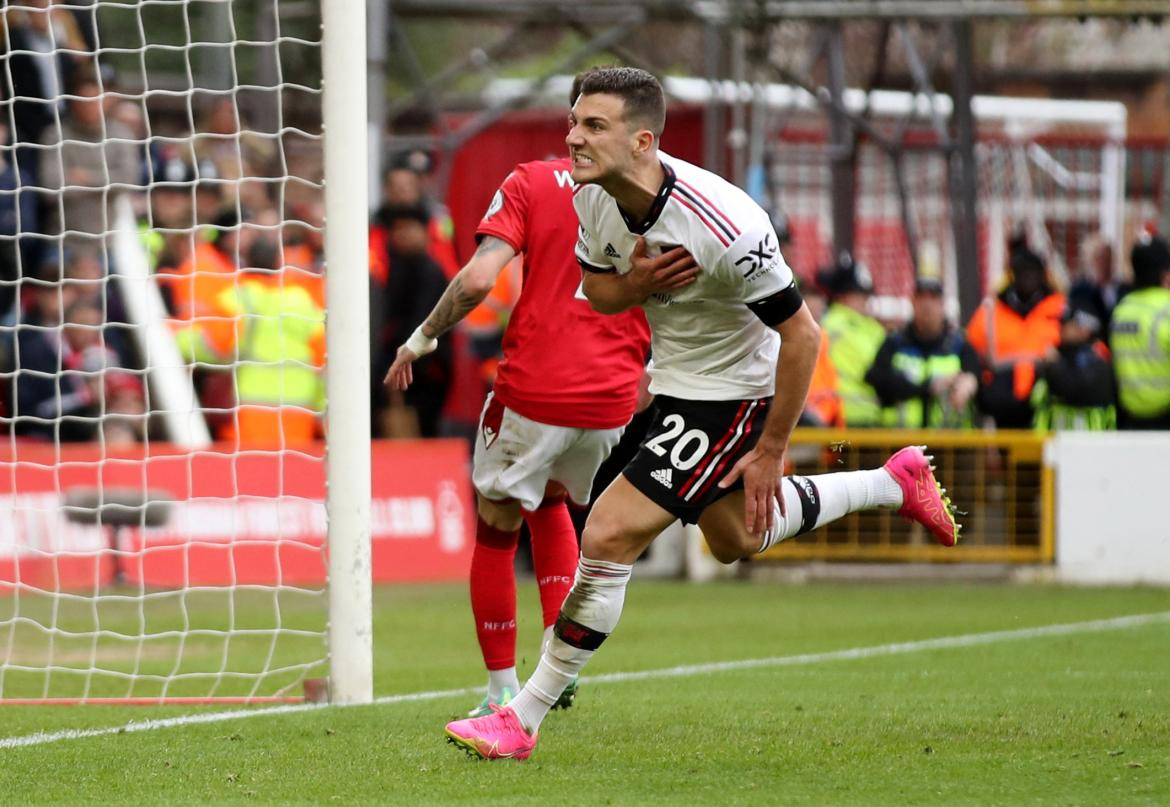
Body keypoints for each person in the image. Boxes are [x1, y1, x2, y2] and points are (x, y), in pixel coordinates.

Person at [443, 66, 960, 761]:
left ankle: (522, 716)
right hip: (674, 386)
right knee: (733, 538)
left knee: (608, 532)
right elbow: (597, 292)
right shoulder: (593, 197)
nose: (574, 136)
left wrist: (772, 449)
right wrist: (634, 283)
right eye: (573, 121)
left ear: (643, 140)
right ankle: (892, 484)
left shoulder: (727, 223)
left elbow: (804, 335)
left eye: (593, 125)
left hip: (737, 392)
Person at [385, 109, 662, 716]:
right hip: (612, 397)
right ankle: (555, 670)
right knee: (556, 502)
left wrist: (423, 337)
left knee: (497, 522)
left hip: (537, 388)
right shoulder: (658, 189)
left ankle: (500, 690)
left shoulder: (530, 181)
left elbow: (479, 280)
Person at [965, 235, 1065, 429]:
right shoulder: (991, 311)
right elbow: (970, 349)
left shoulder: (1059, 309)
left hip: (1044, 409)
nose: (1028, 278)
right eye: (1022, 273)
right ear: (1012, 275)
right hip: (999, 408)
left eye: (1033, 273)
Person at [865, 277, 979, 429]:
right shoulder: (894, 343)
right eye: (921, 298)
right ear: (913, 302)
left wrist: (969, 384)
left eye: (933, 298)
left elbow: (978, 382)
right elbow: (877, 379)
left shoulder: (960, 345)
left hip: (950, 444)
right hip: (901, 441)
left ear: (942, 304)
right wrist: (927, 387)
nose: (927, 305)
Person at [1109, 235, 1170, 429]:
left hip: (1130, 421)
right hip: (1164, 420)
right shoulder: (1166, 310)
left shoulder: (1121, 311)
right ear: (1165, 274)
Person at [817, 253, 886, 427]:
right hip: (845, 418)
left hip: (870, 418)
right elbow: (874, 367)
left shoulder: (870, 326)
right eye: (859, 294)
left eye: (866, 294)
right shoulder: (835, 325)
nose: (865, 300)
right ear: (842, 296)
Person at [1031, 300, 1116, 431]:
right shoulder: (1061, 354)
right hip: (1057, 444)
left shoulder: (1098, 358)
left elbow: (1073, 389)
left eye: (1066, 322)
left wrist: (1055, 366)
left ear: (1084, 330)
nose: (1060, 326)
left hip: (1091, 444)